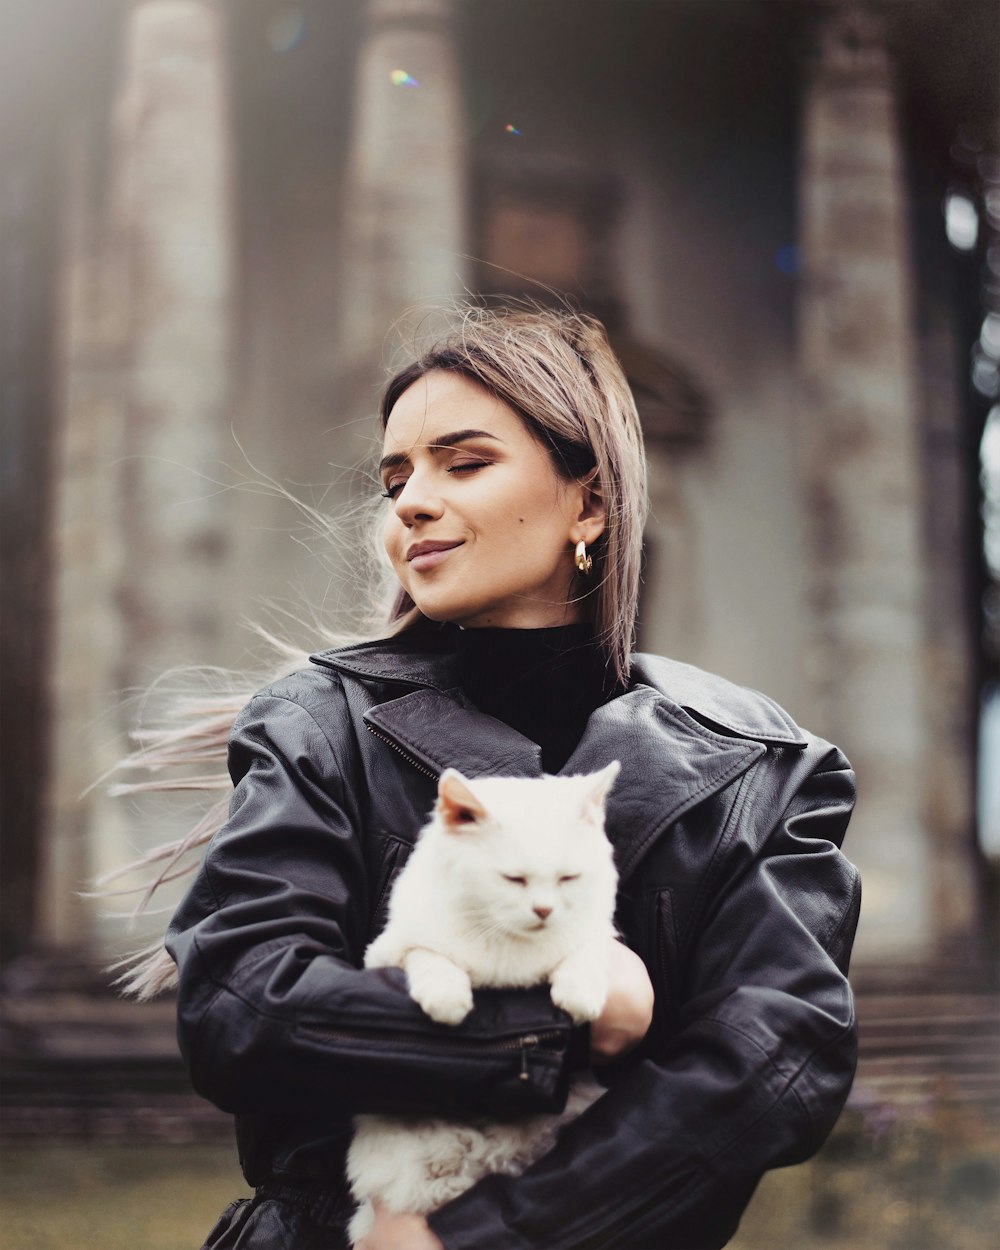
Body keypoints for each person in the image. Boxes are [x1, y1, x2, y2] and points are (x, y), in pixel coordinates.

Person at [152, 306, 860, 1250]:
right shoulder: (317, 724)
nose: (408, 502)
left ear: (591, 502)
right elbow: (239, 1005)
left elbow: (773, 1065)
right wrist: (556, 1032)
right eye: (395, 477)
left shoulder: (767, 769)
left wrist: (482, 1237)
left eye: (465, 462)